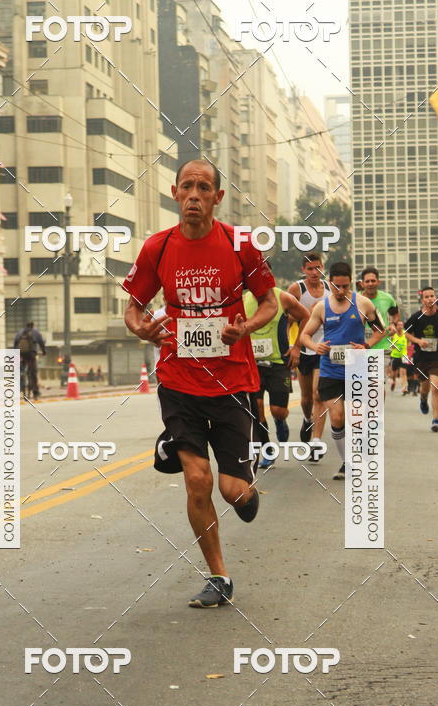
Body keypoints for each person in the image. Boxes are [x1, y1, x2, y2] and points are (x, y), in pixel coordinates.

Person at [122, 159, 277, 608]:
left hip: (232, 382)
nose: (194, 194)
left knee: (233, 491)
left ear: (217, 197)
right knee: (197, 479)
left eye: (203, 187)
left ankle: (246, 489)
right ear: (175, 193)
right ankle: (219, 576)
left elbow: (269, 302)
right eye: (186, 186)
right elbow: (133, 308)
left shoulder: (239, 244)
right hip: (178, 380)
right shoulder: (158, 247)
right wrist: (141, 329)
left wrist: (244, 328)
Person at [301, 261, 386, 480]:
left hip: (357, 370)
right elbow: (305, 335)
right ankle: (347, 462)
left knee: (356, 419)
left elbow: (380, 331)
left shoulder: (363, 304)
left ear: (351, 283)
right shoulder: (321, 307)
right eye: (336, 286)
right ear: (329, 283)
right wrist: (315, 346)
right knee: (337, 417)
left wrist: (366, 345)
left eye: (345, 286)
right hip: (330, 371)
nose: (341, 291)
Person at [243, 282, 309, 467]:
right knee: (256, 409)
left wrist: (297, 347)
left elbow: (306, 316)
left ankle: (281, 421)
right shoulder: (243, 300)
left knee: (277, 411)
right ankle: (268, 450)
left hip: (278, 363)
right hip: (253, 365)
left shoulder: (283, 298)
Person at [288, 253, 330, 456]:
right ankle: (307, 419)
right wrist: (292, 347)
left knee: (318, 394)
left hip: (325, 348)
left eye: (318, 268)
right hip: (304, 346)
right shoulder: (296, 289)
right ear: (303, 270)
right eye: (310, 269)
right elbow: (287, 319)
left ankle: (316, 441)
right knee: (306, 399)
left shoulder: (330, 288)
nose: (315, 272)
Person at [404, 287, 438, 432]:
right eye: (426, 297)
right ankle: (423, 398)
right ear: (422, 300)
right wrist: (418, 341)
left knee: (436, 387)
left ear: (436, 297)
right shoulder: (416, 317)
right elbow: (405, 332)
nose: (430, 299)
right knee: (425, 387)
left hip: (437, 356)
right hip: (421, 358)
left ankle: (435, 420)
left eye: (432, 296)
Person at [360, 267, 399, 376]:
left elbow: (395, 315)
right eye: (367, 281)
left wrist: (393, 324)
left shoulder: (388, 298)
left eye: (373, 281)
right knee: (361, 384)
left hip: (382, 347)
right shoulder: (356, 299)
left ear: (378, 282)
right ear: (362, 283)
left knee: (375, 382)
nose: (370, 284)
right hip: (360, 348)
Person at [14, 321, 46, 399]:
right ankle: (35, 392)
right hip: (31, 355)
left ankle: (22, 389)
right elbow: (41, 343)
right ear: (33, 326)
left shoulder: (20, 332)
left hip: (22, 355)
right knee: (33, 373)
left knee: (21, 372)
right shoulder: (36, 332)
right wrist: (44, 351)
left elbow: (15, 343)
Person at [389, 321, 409, 394]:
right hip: (395, 355)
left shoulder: (406, 334)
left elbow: (409, 342)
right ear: (396, 326)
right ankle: (393, 382)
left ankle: (404, 388)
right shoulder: (393, 335)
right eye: (398, 325)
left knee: (403, 372)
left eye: (401, 325)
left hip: (404, 355)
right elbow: (390, 345)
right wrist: (392, 345)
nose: (400, 326)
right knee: (394, 373)